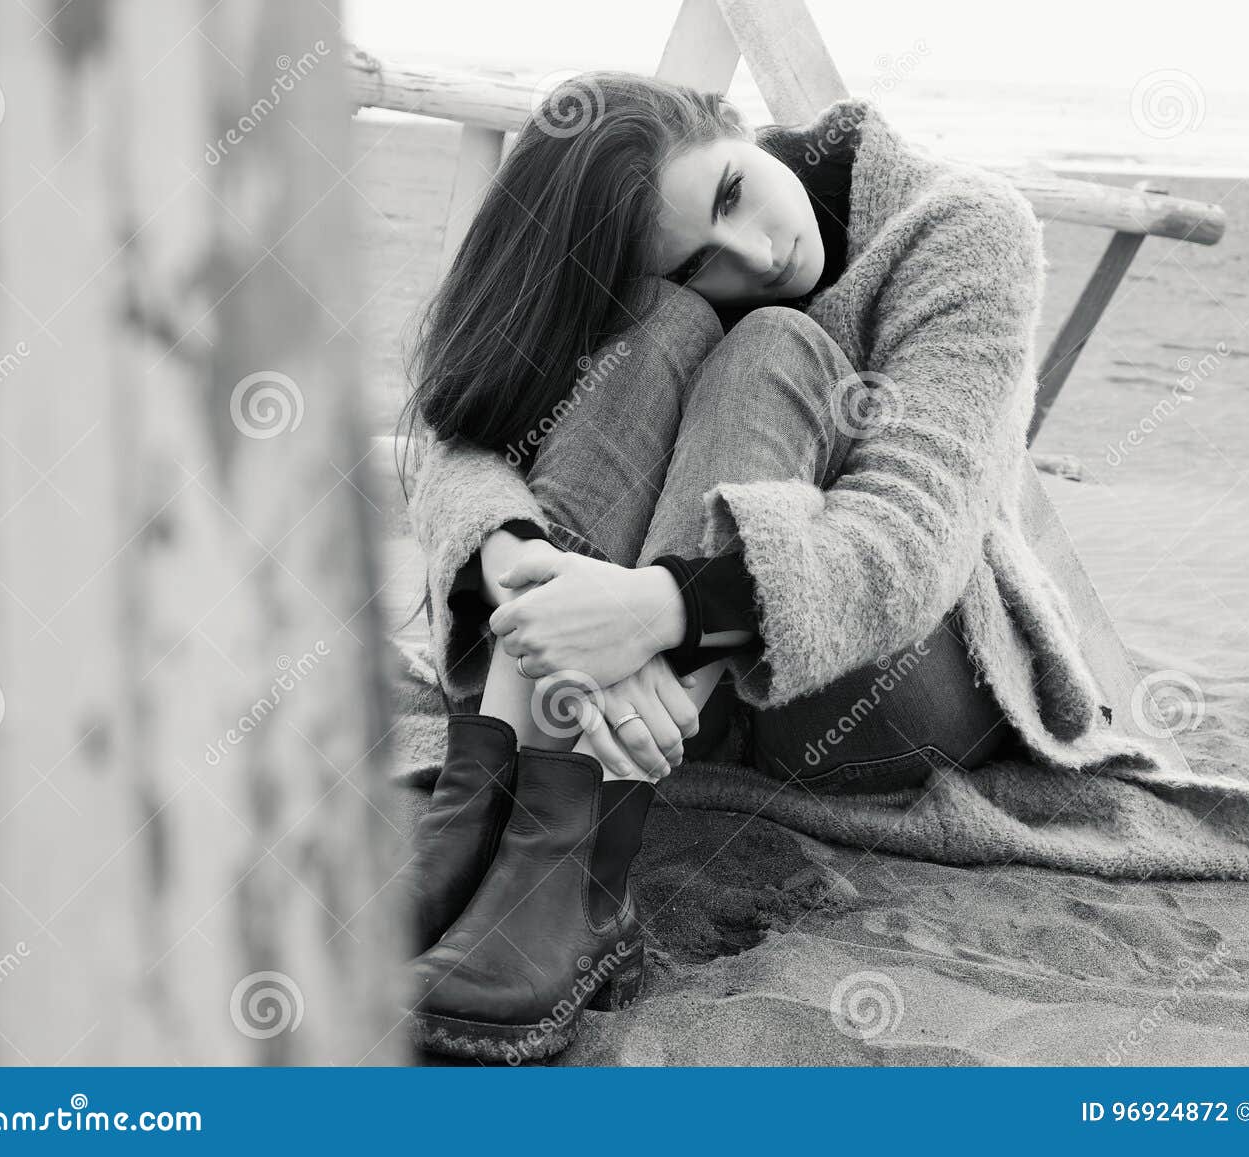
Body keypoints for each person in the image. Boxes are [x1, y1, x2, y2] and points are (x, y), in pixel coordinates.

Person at [397, 71, 1082, 1062]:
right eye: (702, 259)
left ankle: (573, 865)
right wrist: (514, 552)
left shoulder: (963, 223)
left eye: (730, 194)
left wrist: (661, 607)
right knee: (660, 331)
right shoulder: (653, 269)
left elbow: (912, 534)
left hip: (890, 678)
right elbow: (464, 436)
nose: (757, 253)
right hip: (674, 719)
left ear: (734, 125)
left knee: (772, 339)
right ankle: (483, 813)